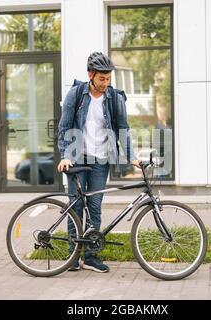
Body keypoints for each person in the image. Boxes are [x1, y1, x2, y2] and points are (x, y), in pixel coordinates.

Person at [57, 52, 141, 273]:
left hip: (100, 160)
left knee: (94, 207)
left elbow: (123, 129)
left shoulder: (115, 98)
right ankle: (73, 257)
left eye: (108, 79)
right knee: (75, 206)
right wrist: (65, 155)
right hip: (76, 158)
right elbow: (64, 128)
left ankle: (91, 257)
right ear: (90, 75)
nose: (105, 83)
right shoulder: (75, 95)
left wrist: (131, 156)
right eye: (102, 79)